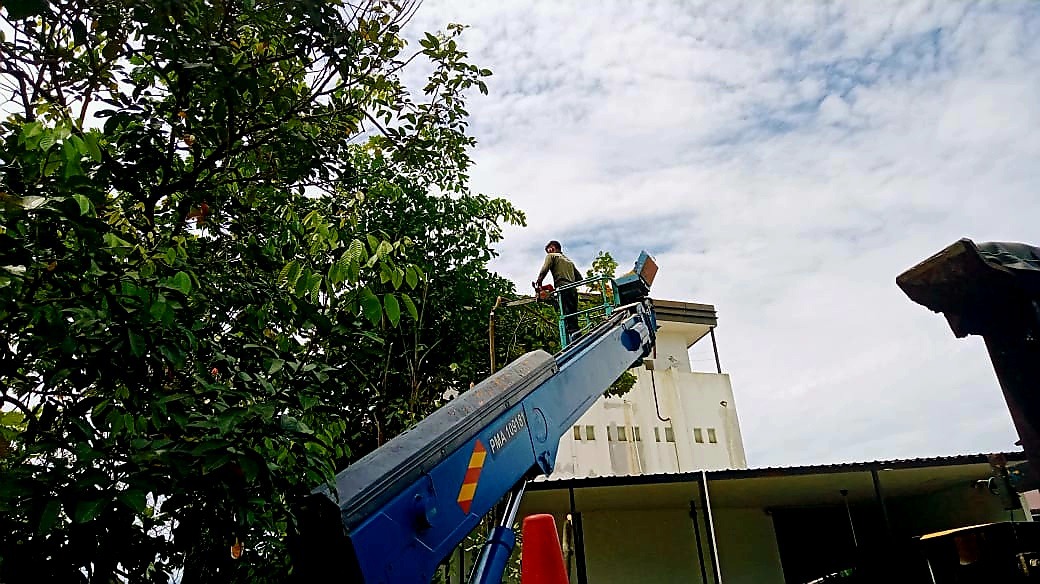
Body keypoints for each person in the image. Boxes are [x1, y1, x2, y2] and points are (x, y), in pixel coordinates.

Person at [536, 240, 583, 340]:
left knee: (566, 317)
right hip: (573, 291)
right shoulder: (569, 261)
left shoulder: (551, 256)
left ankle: (574, 340)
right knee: (573, 318)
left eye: (548, 251)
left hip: (563, 288)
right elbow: (580, 279)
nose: (548, 253)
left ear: (552, 248)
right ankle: (579, 337)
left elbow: (544, 270)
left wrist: (538, 283)